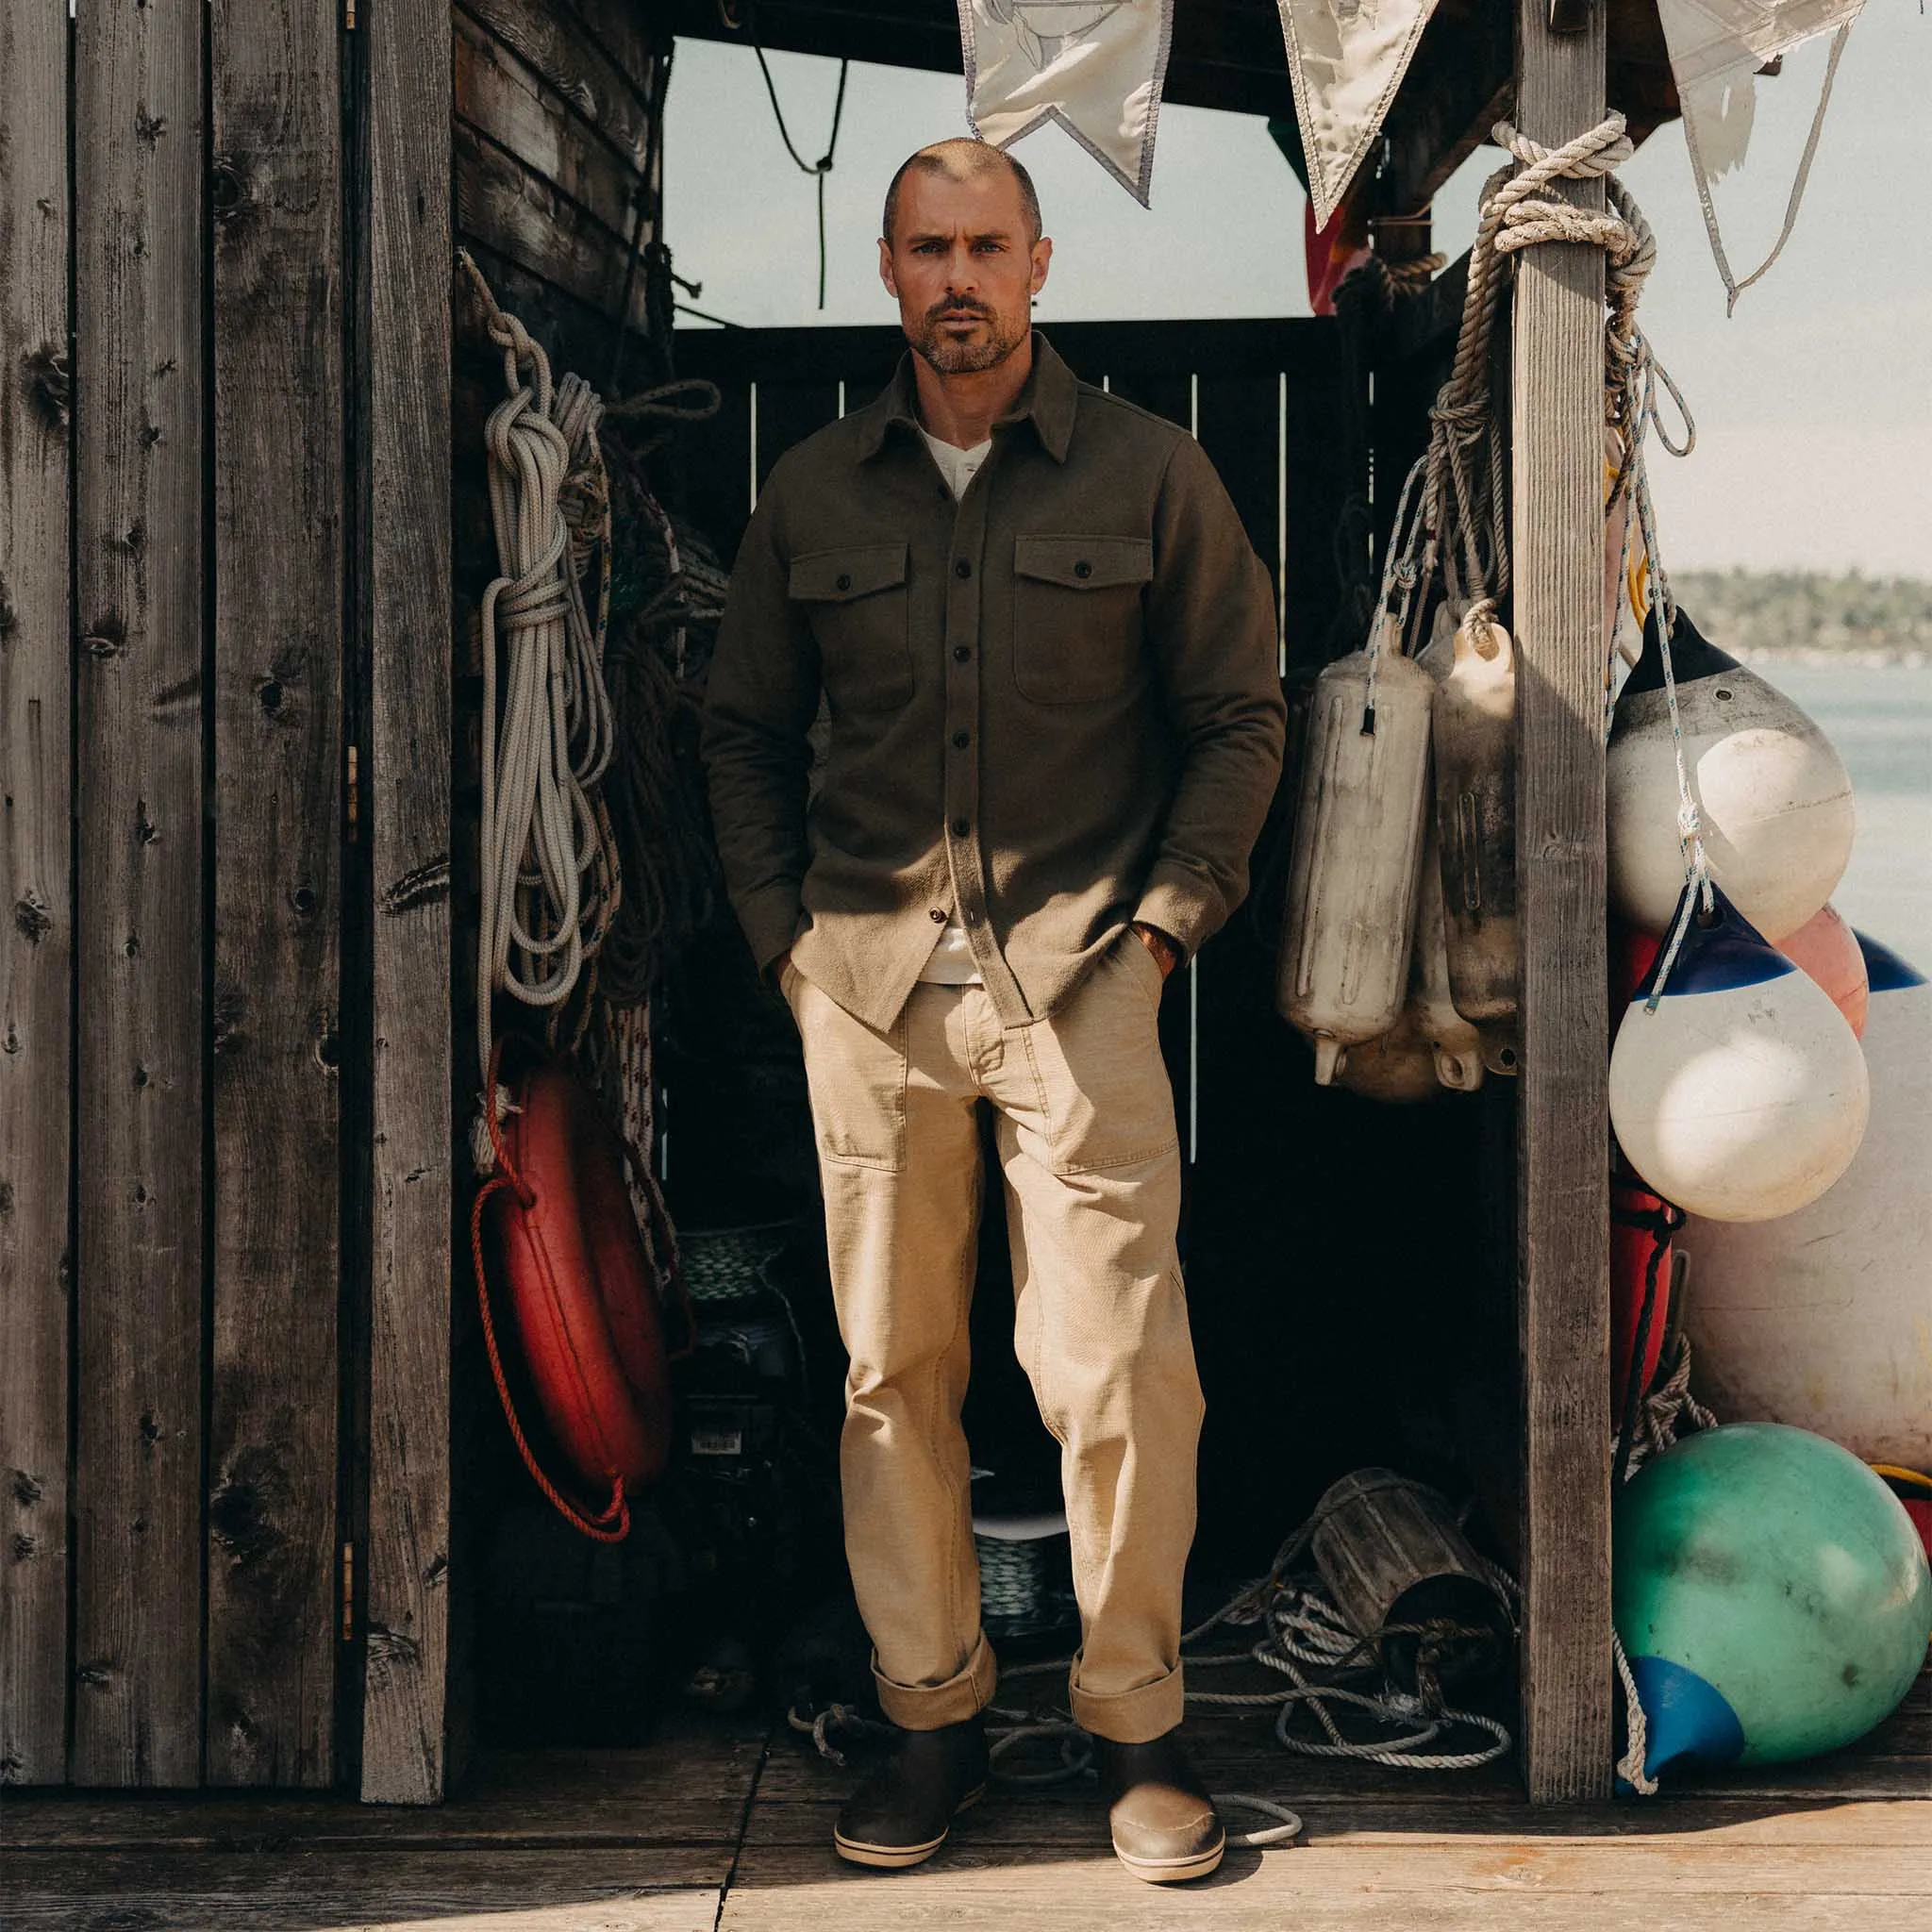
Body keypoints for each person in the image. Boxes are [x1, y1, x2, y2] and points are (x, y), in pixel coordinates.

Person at [703, 137, 1285, 1882]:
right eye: (926, 248)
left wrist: (1168, 930)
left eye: (987, 247)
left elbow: (1243, 716)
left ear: (1042, 265)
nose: (958, 278)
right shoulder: (812, 493)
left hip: (1088, 975)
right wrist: (786, 951)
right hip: (869, 992)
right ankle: (931, 1720)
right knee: (894, 1374)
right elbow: (739, 732)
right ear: (887, 270)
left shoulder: (1155, 476)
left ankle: (1137, 1730)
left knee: (1118, 1374)